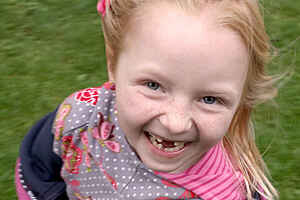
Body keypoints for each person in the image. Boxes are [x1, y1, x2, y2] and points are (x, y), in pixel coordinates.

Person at [15, 0, 280, 199]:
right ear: (113, 61)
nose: (176, 123)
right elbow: (36, 169)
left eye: (210, 99)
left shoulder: (226, 191)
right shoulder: (81, 119)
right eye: (153, 85)